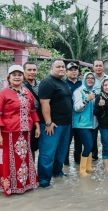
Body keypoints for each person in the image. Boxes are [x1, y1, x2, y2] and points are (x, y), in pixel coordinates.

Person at [0, 65, 40, 196]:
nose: (17, 77)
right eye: (14, 74)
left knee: (23, 159)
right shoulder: (2, 93)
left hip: (25, 133)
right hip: (8, 133)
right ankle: (9, 187)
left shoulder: (27, 93)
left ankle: (24, 185)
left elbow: (32, 111)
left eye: (19, 74)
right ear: (8, 77)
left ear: (23, 77)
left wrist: (37, 126)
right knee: (7, 159)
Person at [37, 60, 72, 188]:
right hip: (53, 125)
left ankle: (57, 172)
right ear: (51, 68)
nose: (61, 69)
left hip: (66, 124)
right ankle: (44, 180)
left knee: (61, 151)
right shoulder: (47, 82)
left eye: (63, 67)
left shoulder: (63, 82)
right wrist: (48, 123)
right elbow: (44, 104)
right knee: (48, 153)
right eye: (58, 67)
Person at [72, 72, 97, 176]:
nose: (90, 80)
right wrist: (87, 99)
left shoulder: (94, 91)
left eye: (92, 78)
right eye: (88, 78)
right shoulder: (78, 91)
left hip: (93, 124)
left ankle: (88, 167)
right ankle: (82, 170)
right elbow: (77, 108)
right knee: (88, 145)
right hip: (82, 124)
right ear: (84, 79)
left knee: (91, 146)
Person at [92, 60, 108, 161]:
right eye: (96, 66)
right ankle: (94, 157)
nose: (98, 67)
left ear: (103, 67)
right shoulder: (90, 78)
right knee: (93, 139)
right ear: (93, 67)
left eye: (100, 66)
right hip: (94, 114)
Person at [22, 61, 44, 162]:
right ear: (24, 71)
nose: (32, 72)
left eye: (34, 70)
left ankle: (32, 172)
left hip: (39, 118)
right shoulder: (20, 85)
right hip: (24, 119)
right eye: (29, 70)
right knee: (24, 147)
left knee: (34, 147)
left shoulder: (41, 85)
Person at [64, 62, 83, 165]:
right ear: (66, 72)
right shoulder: (63, 84)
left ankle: (78, 162)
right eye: (71, 70)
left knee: (79, 140)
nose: (73, 71)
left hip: (80, 117)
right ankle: (65, 163)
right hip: (67, 117)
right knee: (66, 140)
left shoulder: (82, 84)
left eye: (75, 69)